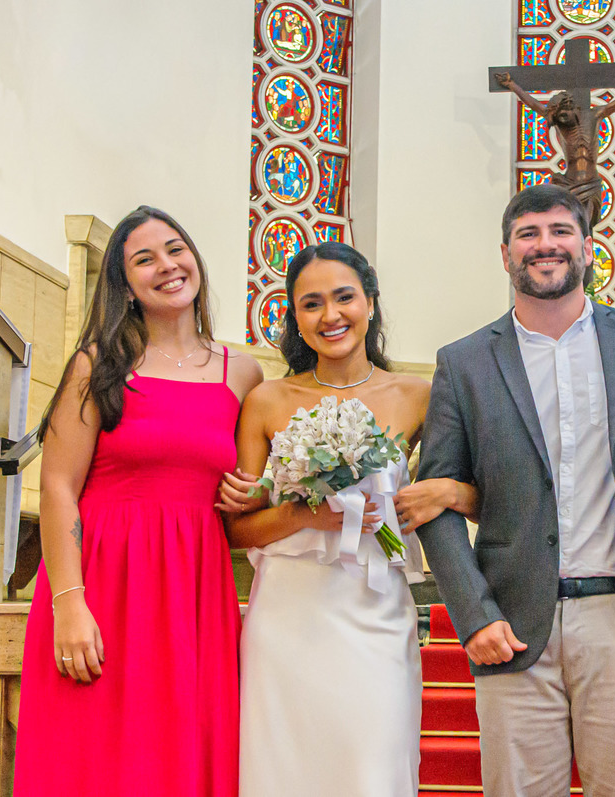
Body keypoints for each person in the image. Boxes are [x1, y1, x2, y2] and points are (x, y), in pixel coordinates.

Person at [416, 183, 615, 796]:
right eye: (528, 235)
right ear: (504, 254)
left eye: (560, 231)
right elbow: (433, 497)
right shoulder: (465, 362)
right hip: (511, 622)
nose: (545, 245)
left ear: (588, 247)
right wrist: (474, 615)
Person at [13, 206, 263, 796]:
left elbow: (252, 487)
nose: (167, 266)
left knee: (183, 756)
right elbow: (57, 487)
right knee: (90, 758)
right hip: (104, 584)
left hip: (193, 591)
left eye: (176, 249)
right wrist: (69, 604)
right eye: (144, 259)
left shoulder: (242, 374)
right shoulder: (97, 366)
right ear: (125, 286)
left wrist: (252, 491)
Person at [227, 241, 476, 796]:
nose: (331, 315)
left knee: (373, 768)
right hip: (287, 618)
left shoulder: (417, 395)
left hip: (375, 609)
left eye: (344, 298)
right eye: (311, 303)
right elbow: (238, 530)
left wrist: (448, 491)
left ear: (370, 303)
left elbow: (471, 493)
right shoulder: (267, 401)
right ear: (294, 316)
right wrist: (304, 515)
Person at [494, 69, 615, 228]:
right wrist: (511, 85)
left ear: (572, 107)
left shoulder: (594, 115)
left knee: (584, 227)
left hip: (590, 183)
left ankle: (583, 255)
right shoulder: (559, 122)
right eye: (558, 118)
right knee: (572, 227)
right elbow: (533, 103)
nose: (562, 120)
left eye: (564, 115)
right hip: (570, 183)